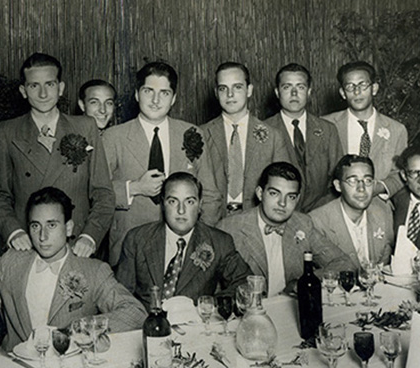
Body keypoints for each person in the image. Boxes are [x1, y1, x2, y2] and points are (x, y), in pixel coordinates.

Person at [0, 187, 146, 351]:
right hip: (15, 363)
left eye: (51, 225)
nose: (42, 236)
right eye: (35, 226)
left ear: (68, 228)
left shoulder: (93, 270)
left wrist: (82, 328)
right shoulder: (11, 262)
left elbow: (135, 313)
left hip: (68, 364)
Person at [0, 53, 115, 258]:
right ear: (23, 91)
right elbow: (0, 195)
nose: (43, 94)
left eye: (49, 84)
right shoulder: (6, 132)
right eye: (34, 86)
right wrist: (14, 232)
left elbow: (103, 193)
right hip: (29, 245)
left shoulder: (85, 127)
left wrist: (90, 236)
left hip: (77, 246)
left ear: (61, 88)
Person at [103, 61, 222, 265]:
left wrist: (198, 240)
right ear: (136, 94)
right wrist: (134, 188)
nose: (156, 100)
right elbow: (97, 193)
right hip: (128, 250)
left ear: (173, 98)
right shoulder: (113, 137)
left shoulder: (191, 134)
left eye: (164, 93)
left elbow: (210, 195)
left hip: (183, 249)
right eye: (148, 91)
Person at [217, 162, 354, 296]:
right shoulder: (230, 228)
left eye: (291, 197)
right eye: (274, 193)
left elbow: (344, 263)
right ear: (260, 193)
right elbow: (213, 289)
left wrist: (301, 283)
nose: (282, 203)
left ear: (298, 199)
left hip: (290, 306)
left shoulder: (302, 224)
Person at [116, 172, 251, 307]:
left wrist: (209, 305)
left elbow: (246, 284)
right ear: (163, 204)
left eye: (189, 202)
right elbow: (121, 296)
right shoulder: (137, 239)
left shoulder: (219, 242)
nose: (181, 210)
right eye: (173, 201)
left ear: (200, 205)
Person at [201, 62, 290, 215]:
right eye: (223, 88)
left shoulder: (273, 136)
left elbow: (284, 186)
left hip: (256, 219)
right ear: (216, 93)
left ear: (249, 90)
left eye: (237, 87)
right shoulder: (202, 134)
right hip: (212, 220)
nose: (230, 94)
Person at [324, 61, 408, 199]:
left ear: (374, 88)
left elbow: (400, 173)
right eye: (350, 86)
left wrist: (379, 187)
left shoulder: (396, 130)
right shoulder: (326, 124)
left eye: (363, 85)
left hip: (377, 203)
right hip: (336, 201)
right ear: (343, 93)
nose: (357, 92)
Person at [266, 63, 343, 212]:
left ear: (309, 92)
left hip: (321, 214)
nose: (294, 93)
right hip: (278, 213)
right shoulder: (265, 131)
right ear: (277, 92)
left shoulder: (327, 130)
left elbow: (338, 178)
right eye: (287, 87)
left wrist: (318, 212)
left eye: (300, 87)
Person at [309, 155, 394, 269]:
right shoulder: (317, 222)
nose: (361, 188)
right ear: (338, 186)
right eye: (352, 180)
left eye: (368, 180)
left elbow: (385, 264)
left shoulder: (383, 213)